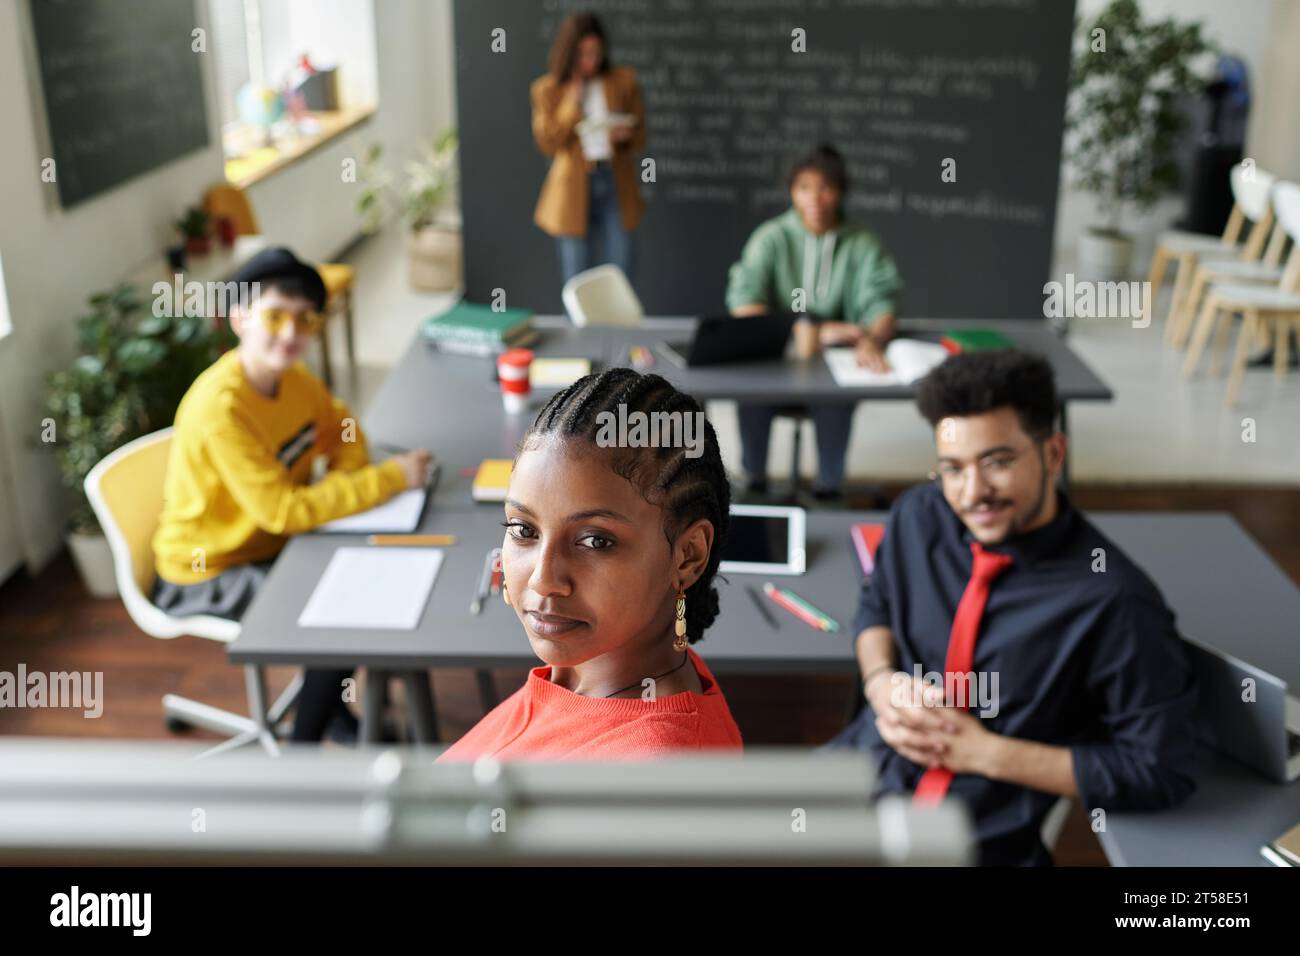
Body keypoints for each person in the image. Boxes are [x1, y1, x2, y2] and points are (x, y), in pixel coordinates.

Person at [823, 350, 1198, 865]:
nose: (973, 492)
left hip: (982, 837)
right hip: (859, 773)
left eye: (997, 463)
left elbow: (1160, 768)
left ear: (1053, 454)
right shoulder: (917, 516)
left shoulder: (1115, 600)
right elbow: (877, 606)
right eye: (953, 469)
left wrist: (984, 753)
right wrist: (880, 681)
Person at [150, 247, 433, 743]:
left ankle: (333, 712)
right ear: (239, 317)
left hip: (274, 544)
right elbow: (283, 511)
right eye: (275, 316)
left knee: (357, 590)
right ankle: (303, 754)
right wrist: (389, 479)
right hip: (208, 568)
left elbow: (343, 427)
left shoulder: (293, 379)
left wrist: (346, 473)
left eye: (304, 321)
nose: (291, 333)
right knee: (338, 616)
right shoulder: (223, 408)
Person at [437, 368, 742, 761]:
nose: (544, 580)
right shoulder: (584, 670)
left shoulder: (645, 772)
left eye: (595, 541)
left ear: (688, 556)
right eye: (523, 529)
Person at [726, 144, 902, 502]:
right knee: (751, 394)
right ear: (792, 191)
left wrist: (873, 340)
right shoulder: (771, 237)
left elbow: (883, 302)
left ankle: (828, 491)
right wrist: (810, 331)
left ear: (840, 192)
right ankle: (754, 485)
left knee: (834, 400)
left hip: (835, 365)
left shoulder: (862, 242)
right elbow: (744, 304)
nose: (814, 199)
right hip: (775, 358)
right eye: (804, 187)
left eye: (825, 188)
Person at [531, 12, 647, 285]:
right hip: (572, 188)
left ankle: (617, 329)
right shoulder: (547, 89)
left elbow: (640, 136)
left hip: (615, 183)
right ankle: (581, 330)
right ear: (569, 53)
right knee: (576, 278)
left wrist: (625, 136)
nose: (591, 60)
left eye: (596, 52)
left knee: (622, 270)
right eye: (583, 54)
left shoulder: (623, 81)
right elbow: (548, 142)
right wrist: (572, 102)